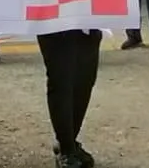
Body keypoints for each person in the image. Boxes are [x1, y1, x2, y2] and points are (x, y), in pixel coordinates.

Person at [40, 29, 103, 168]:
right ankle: (66, 147)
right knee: (62, 80)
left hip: (88, 22)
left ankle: (70, 140)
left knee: (85, 79)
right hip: (55, 25)